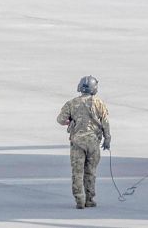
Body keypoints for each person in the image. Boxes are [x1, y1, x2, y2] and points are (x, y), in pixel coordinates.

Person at [57, 75, 111, 209]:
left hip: (77, 143)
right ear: (94, 88)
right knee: (90, 171)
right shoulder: (99, 103)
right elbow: (105, 123)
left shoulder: (72, 103)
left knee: (77, 172)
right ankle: (90, 199)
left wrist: (71, 122)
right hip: (93, 143)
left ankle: (79, 199)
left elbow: (60, 120)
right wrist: (107, 139)